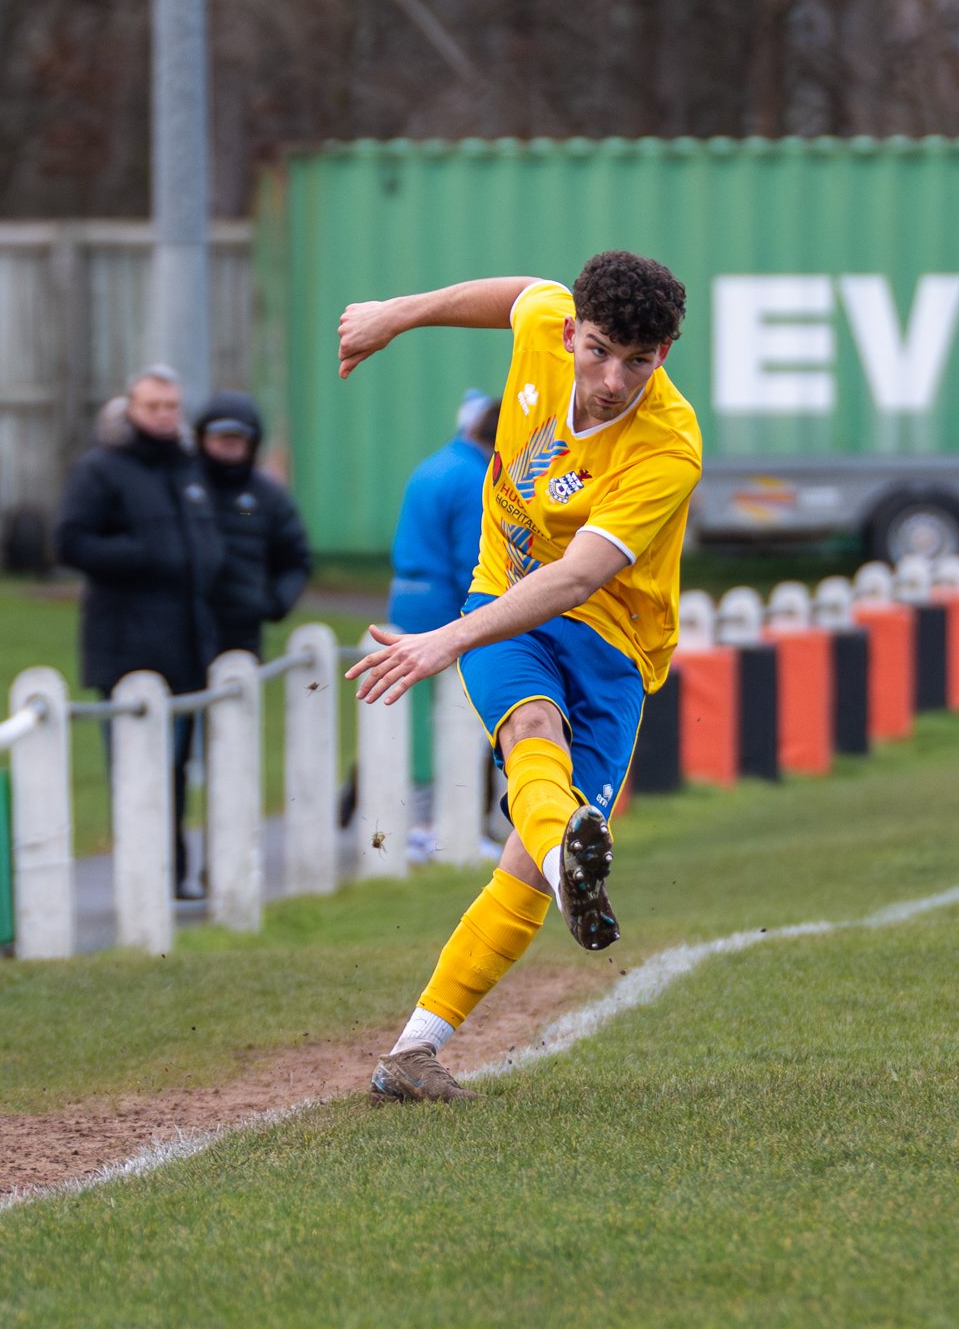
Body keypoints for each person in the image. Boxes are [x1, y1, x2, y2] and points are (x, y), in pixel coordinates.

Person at [338, 250, 697, 1103]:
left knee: (529, 866)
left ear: (665, 355)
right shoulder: (546, 323)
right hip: (503, 592)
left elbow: (576, 579)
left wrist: (444, 642)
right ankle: (570, 841)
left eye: (638, 362)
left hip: (614, 639)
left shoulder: (669, 447)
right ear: (573, 331)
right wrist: (397, 311)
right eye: (600, 350)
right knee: (531, 731)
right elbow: (510, 295)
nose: (613, 379)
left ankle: (412, 1051)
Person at [56, 364, 223, 900]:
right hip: (127, 647)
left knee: (175, 770)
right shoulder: (100, 470)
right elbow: (71, 542)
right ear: (130, 408)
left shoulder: (187, 469)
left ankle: (173, 876)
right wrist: (147, 555)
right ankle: (143, 882)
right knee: (136, 773)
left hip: (187, 646)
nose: (163, 416)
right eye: (153, 406)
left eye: (172, 406)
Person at [383, 387, 499, 858]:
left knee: (413, 722)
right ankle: (449, 824)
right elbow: (471, 560)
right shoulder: (474, 477)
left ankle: (417, 822)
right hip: (445, 610)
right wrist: (477, 621)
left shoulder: (430, 467)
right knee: (460, 719)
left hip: (405, 603)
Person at [193, 390, 313, 657]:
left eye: (237, 437)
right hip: (184, 628)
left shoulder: (269, 496)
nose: (229, 444)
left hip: (242, 632)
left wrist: (273, 603)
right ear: (202, 437)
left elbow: (296, 559)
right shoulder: (184, 486)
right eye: (221, 437)